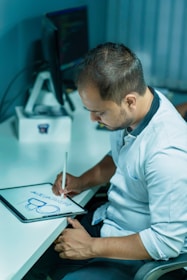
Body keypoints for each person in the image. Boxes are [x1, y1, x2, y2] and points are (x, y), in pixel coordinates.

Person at [23, 42, 187, 280]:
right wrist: (81, 181)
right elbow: (119, 156)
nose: (93, 119)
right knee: (39, 256)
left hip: (145, 256)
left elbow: (164, 244)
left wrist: (90, 247)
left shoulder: (167, 155)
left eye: (99, 112)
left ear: (129, 100)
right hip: (112, 223)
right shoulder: (142, 105)